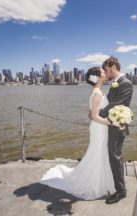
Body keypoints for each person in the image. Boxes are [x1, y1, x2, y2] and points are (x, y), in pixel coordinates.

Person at [39, 67, 115, 200]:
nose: (105, 73)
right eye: (103, 72)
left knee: (99, 152)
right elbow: (95, 116)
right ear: (97, 77)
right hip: (100, 127)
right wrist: (111, 122)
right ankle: (95, 184)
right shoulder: (97, 93)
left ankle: (100, 182)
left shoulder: (97, 91)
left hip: (99, 127)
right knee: (98, 153)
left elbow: (91, 113)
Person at [99, 56, 133, 204]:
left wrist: (97, 113)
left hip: (118, 127)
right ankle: (118, 186)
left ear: (113, 67)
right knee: (114, 156)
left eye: (106, 70)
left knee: (115, 157)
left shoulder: (125, 83)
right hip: (111, 124)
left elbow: (115, 104)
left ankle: (121, 191)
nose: (105, 74)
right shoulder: (115, 83)